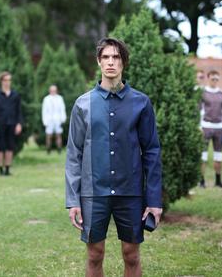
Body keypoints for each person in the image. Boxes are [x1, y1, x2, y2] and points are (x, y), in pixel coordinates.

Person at [66, 37, 163, 277]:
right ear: (99, 62)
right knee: (94, 255)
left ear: (123, 63)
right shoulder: (83, 104)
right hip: (93, 192)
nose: (111, 62)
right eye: (106, 57)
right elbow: (74, 154)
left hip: (130, 192)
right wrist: (73, 199)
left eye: (116, 57)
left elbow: (151, 151)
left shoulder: (141, 103)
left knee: (131, 256)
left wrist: (154, 200)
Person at [199, 70, 222, 188]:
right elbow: (197, 110)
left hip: (219, 128)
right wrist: (198, 126)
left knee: (219, 156)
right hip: (206, 127)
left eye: (217, 79)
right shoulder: (203, 93)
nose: (215, 81)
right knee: (203, 156)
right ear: (208, 78)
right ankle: (201, 181)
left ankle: (218, 181)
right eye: (213, 79)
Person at [0, 71, 23, 176]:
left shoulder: (15, 95)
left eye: (9, 80)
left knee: (10, 147)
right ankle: (0, 170)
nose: (7, 82)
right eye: (5, 80)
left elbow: (19, 111)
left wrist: (19, 123)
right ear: (1, 81)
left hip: (12, 124)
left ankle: (7, 169)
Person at [41, 84, 66, 154]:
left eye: (54, 90)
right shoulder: (46, 99)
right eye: (52, 90)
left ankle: (59, 149)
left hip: (57, 118)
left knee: (58, 134)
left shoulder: (60, 98)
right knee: (49, 135)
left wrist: (63, 118)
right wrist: (44, 121)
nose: (53, 92)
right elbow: (44, 111)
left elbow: (62, 109)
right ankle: (48, 149)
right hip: (49, 119)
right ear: (49, 91)